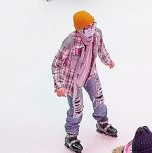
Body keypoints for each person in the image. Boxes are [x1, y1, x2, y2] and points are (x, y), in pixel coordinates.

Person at [51, 11, 118, 153]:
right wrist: (59, 85)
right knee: (77, 109)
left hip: (90, 74)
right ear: (79, 29)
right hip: (72, 81)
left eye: (92, 24)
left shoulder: (97, 34)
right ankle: (71, 136)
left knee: (99, 99)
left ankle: (102, 123)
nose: (91, 29)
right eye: (87, 27)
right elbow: (56, 63)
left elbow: (101, 49)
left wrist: (108, 61)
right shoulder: (70, 41)